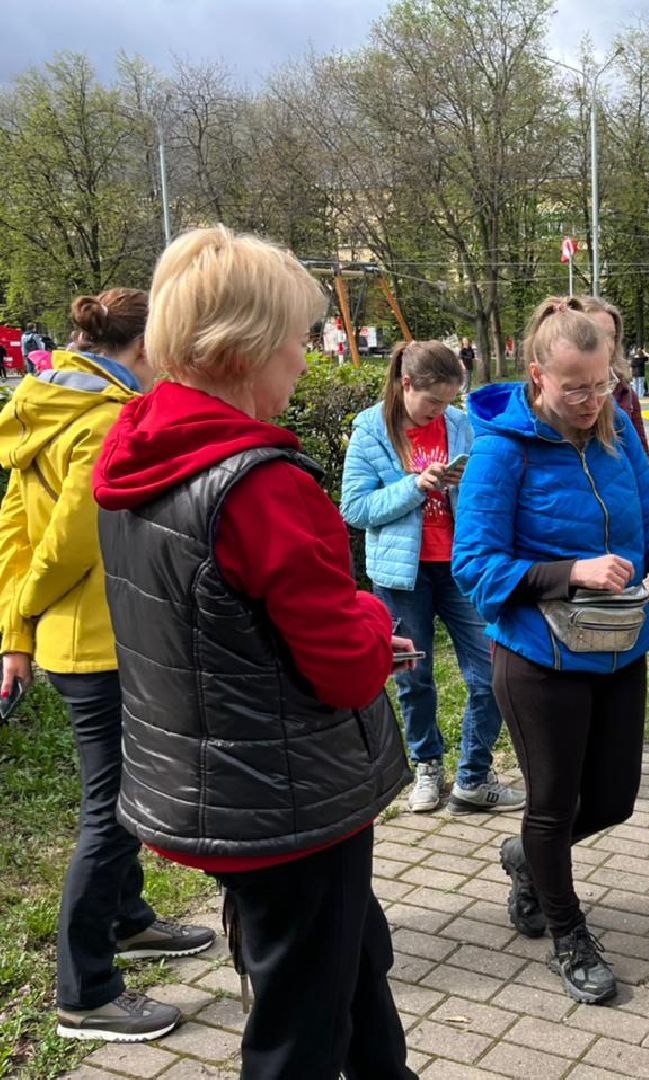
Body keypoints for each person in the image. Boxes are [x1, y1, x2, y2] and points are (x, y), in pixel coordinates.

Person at [92, 226, 415, 1076]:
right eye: (295, 342)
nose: (306, 363)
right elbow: (345, 662)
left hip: (211, 784)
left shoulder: (139, 453)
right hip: (287, 802)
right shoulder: (260, 487)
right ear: (240, 352)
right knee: (298, 1027)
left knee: (350, 962)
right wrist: (378, 628)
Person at [453, 295, 649, 1006]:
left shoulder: (616, 428)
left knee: (613, 798)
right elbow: (474, 565)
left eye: (602, 382)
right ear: (537, 375)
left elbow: (647, 520)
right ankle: (566, 931)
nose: (591, 400)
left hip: (617, 644)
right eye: (575, 387)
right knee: (552, 803)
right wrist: (569, 571)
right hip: (536, 656)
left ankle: (527, 858)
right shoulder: (501, 449)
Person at [0, 289, 216, 1043]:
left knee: (117, 800)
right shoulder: (103, 422)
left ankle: (128, 921)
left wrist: (17, 631)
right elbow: (69, 545)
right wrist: (27, 610)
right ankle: (85, 992)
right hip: (101, 644)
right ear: (145, 348)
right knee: (113, 811)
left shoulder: (44, 402)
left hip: (69, 641)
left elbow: (15, 530)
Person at [341, 340, 523, 816]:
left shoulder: (461, 426)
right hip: (403, 577)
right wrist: (414, 487)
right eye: (433, 401)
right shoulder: (370, 431)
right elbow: (356, 508)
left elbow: (489, 485)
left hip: (463, 566)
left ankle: (473, 776)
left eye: (448, 401)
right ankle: (427, 766)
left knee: (490, 672)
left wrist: (471, 481)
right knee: (414, 677)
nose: (441, 411)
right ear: (405, 385)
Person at [579, 296, 649, 458]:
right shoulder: (558, 392)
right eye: (598, 333)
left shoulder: (625, 393)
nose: (608, 344)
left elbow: (641, 457)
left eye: (611, 335)